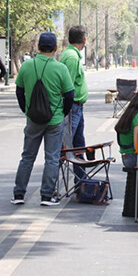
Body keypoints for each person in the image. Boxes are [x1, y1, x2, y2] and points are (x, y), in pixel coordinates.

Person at [12, 32, 74, 206]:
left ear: (38, 47)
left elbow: (19, 91)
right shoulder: (60, 68)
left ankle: (18, 194)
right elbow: (69, 95)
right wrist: (63, 112)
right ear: (55, 49)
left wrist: (26, 110)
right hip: (54, 120)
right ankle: (47, 195)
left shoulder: (26, 66)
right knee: (52, 158)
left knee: (27, 156)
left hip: (33, 119)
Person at [59, 25, 88, 181]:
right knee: (65, 147)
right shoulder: (71, 57)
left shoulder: (72, 55)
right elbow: (67, 86)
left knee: (78, 146)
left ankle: (81, 181)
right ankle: (52, 184)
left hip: (77, 108)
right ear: (84, 40)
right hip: (72, 108)